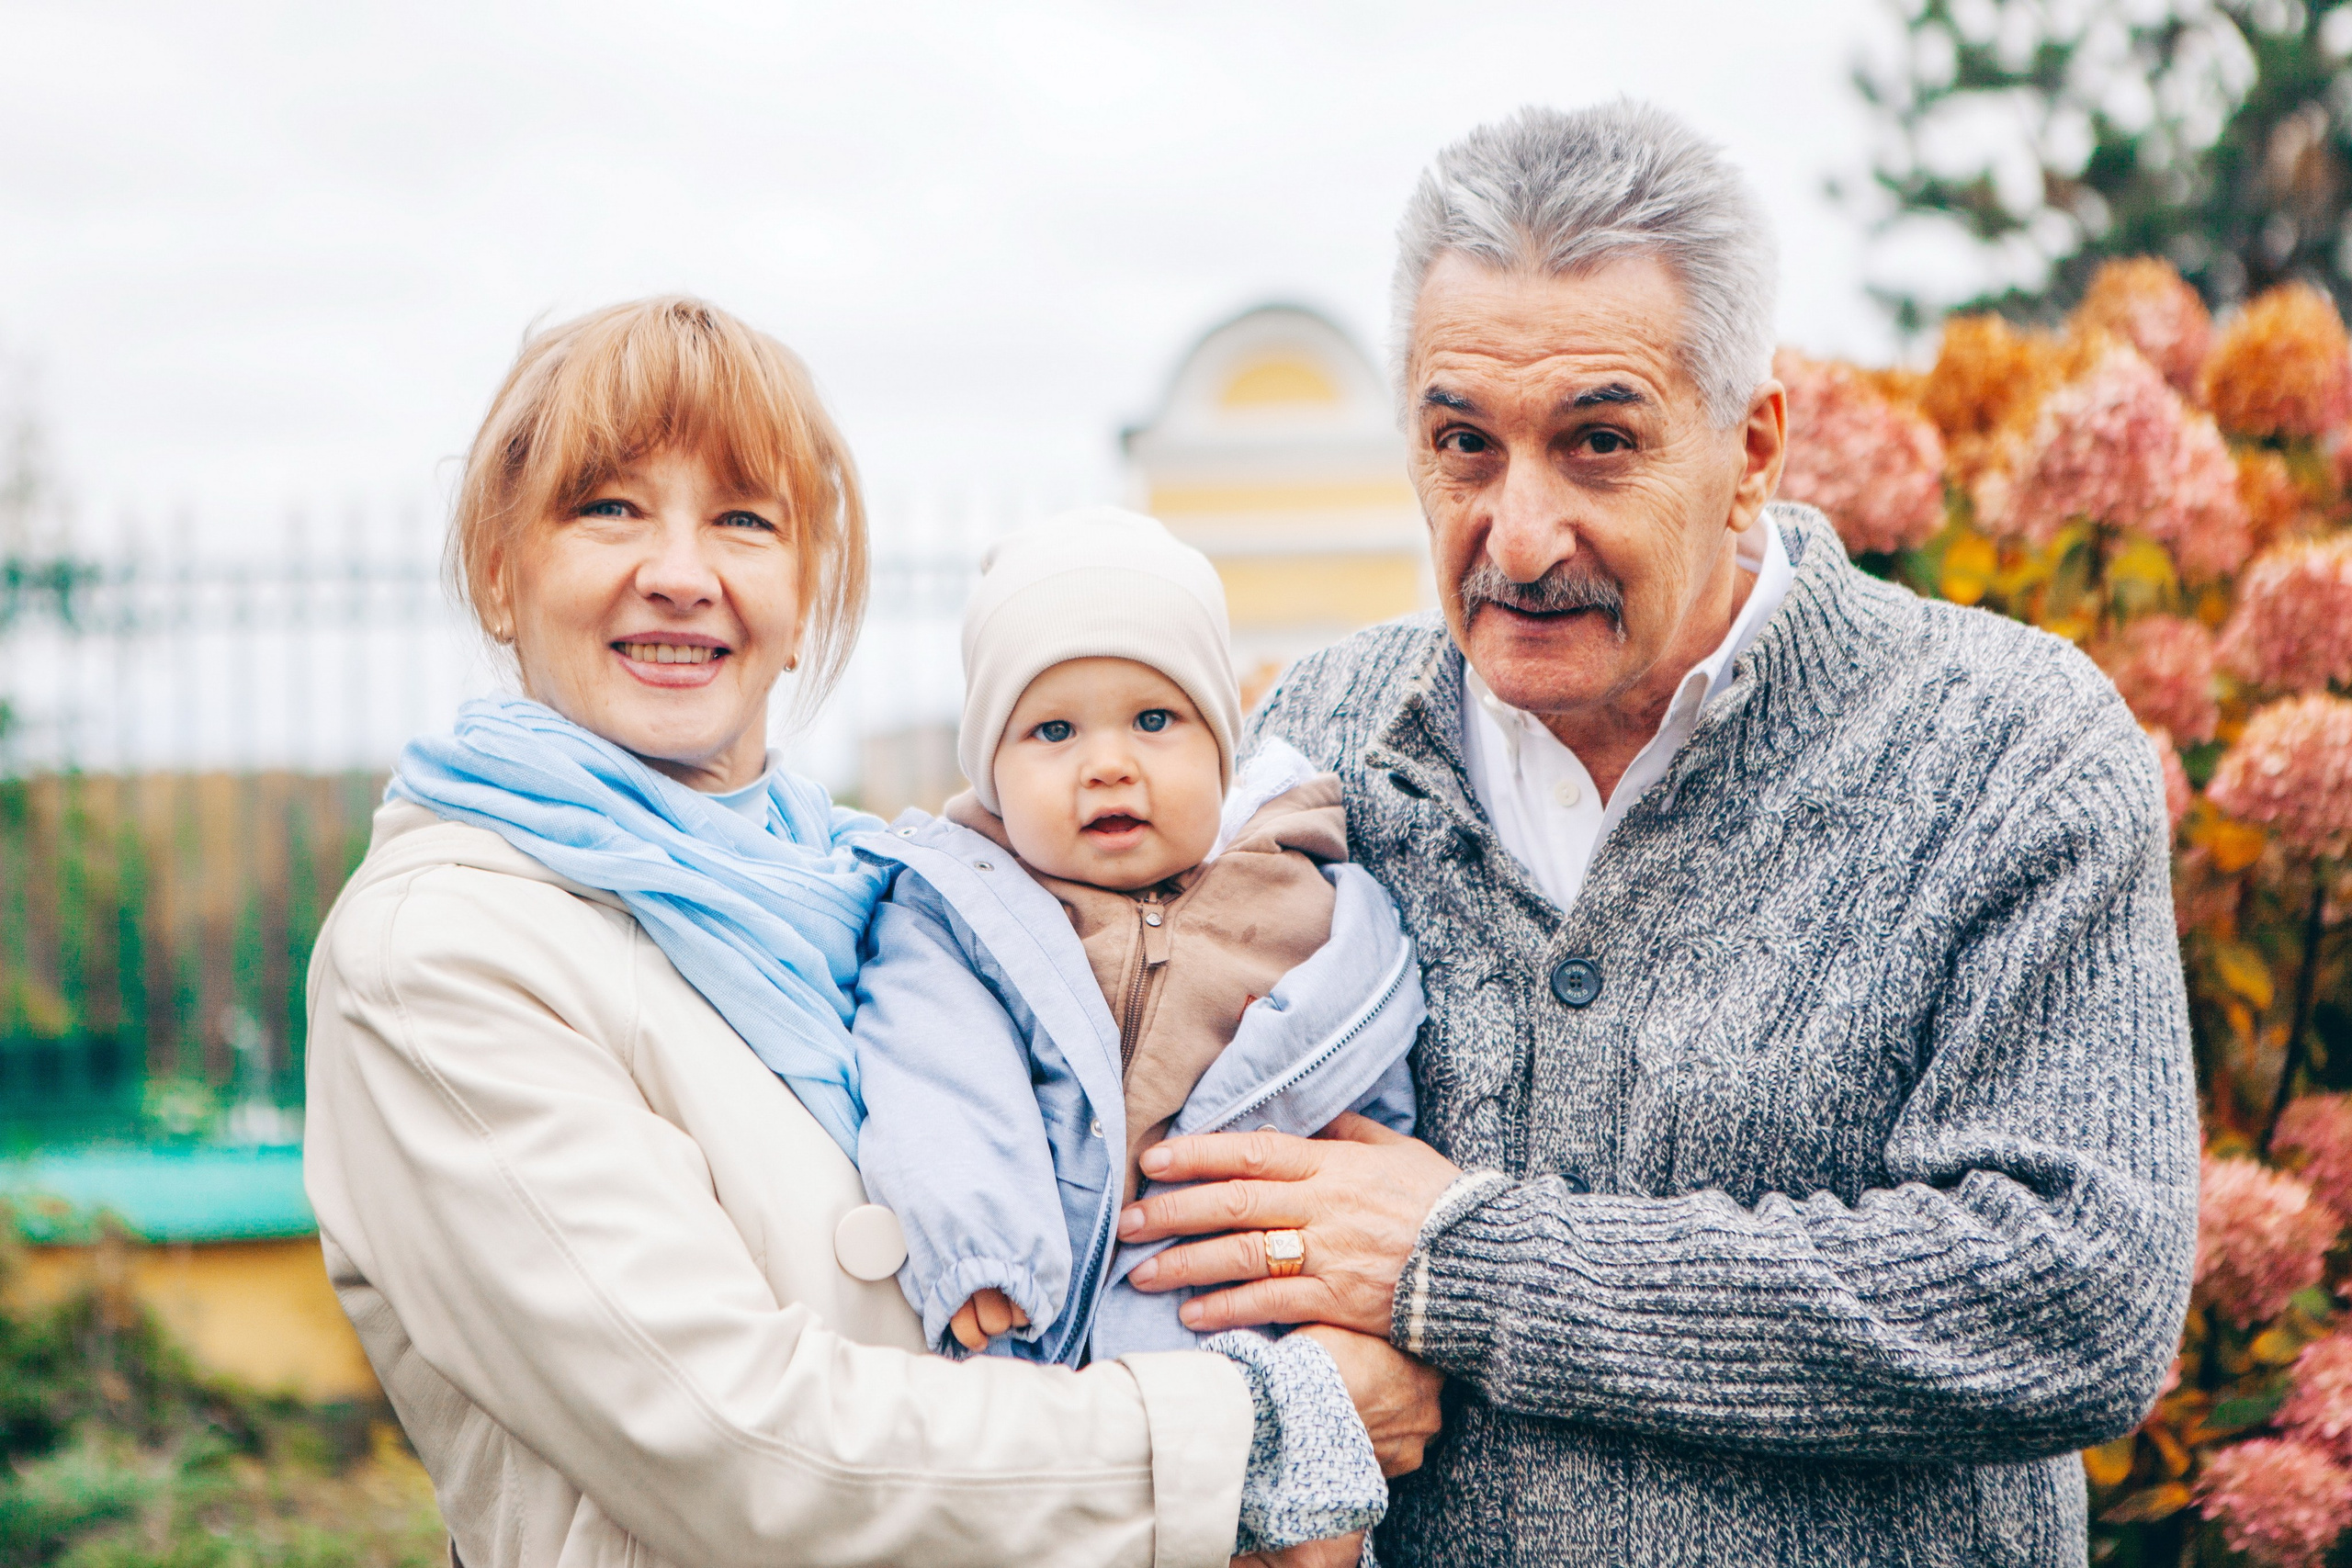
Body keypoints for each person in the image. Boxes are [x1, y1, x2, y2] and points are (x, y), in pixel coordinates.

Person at [1114, 102, 2199, 1565]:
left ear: (1752, 449)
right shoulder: (1323, 735)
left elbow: (2071, 1294)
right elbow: (1175, 1193)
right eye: (1463, 445)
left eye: (1599, 441)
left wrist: (1468, 1264)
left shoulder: (2009, 742)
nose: (1516, 532)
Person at [302, 295, 1436, 1568]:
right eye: (608, 506)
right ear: (501, 577)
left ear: (803, 592)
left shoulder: (878, 887)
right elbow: (743, 1447)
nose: (681, 571)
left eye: (742, 517)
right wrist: (1261, 1430)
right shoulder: (439, 953)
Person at [852, 509, 1421, 1372]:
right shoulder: (961, 917)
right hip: (1041, 1341)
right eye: (1054, 731)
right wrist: (977, 1244)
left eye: (1155, 720)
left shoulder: (1310, 907)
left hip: (1256, 1349)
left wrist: (1352, 1342)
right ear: (992, 774)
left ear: (1222, 750)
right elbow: (936, 1075)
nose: (1109, 763)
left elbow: (1365, 1110)